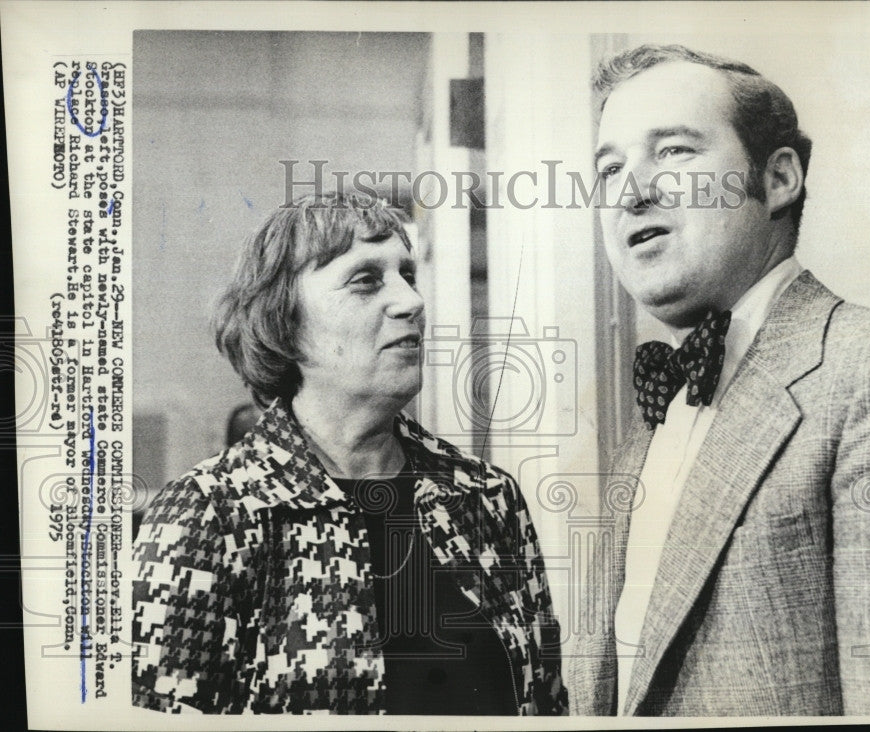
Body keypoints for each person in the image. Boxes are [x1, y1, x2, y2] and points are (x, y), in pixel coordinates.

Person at [569, 44, 870, 716]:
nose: (629, 190)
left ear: (780, 178)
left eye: (674, 152)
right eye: (609, 167)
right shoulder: (650, 423)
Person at [132, 192, 568, 715]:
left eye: (408, 274)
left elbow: (545, 707)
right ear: (284, 322)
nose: (411, 301)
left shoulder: (488, 498)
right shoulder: (206, 516)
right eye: (366, 280)